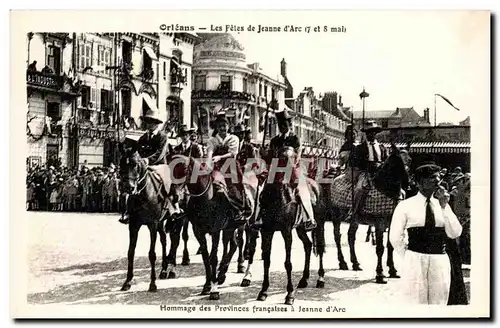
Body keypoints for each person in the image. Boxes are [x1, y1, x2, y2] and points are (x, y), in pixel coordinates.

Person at [389, 161, 462, 304]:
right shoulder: (405, 205)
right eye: (431, 177)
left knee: (439, 302)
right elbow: (395, 237)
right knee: (415, 303)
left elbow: (455, 232)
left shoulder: (442, 204)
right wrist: (411, 256)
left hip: (439, 260)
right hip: (415, 259)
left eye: (437, 177)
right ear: (419, 182)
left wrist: (444, 207)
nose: (437, 181)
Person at [119, 109, 178, 224]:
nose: (150, 124)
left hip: (159, 165)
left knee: (167, 182)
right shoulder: (142, 138)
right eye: (148, 121)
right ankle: (129, 211)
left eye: (152, 122)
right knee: (134, 182)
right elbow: (137, 152)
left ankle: (173, 208)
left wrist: (147, 160)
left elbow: (160, 153)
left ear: (157, 124)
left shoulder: (163, 137)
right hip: (144, 166)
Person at [266, 109, 316, 231]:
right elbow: (270, 156)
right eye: (280, 125)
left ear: (289, 125)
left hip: (292, 167)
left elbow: (298, 154)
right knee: (263, 189)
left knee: (302, 188)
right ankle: (258, 218)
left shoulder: (295, 138)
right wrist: (265, 155)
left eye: (285, 124)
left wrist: (294, 162)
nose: (282, 127)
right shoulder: (274, 140)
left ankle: (309, 218)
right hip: (276, 169)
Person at [206, 113, 253, 220]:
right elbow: (210, 152)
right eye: (220, 126)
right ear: (216, 127)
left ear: (228, 126)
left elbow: (232, 153)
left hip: (230, 165)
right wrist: (208, 162)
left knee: (236, 186)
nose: (222, 128)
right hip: (217, 166)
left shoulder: (233, 138)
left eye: (224, 125)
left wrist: (219, 157)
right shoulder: (212, 140)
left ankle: (242, 206)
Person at [346, 120, 387, 222]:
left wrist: (381, 165)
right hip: (365, 172)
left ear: (376, 133)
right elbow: (354, 162)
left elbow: (386, 160)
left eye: (373, 132)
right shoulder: (359, 148)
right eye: (369, 132)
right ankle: (353, 212)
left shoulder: (381, 147)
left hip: (380, 173)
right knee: (359, 188)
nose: (371, 134)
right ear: (366, 133)